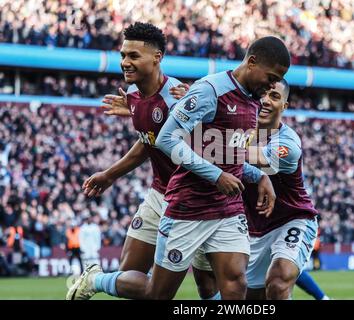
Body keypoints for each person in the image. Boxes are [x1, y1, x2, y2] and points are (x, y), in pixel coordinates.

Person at [68, 35, 289, 300]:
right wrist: (218, 176)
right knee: (156, 293)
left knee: (234, 286)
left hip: (226, 207)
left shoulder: (254, 100)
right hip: (186, 204)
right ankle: (97, 279)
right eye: (273, 76)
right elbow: (164, 139)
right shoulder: (209, 90)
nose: (274, 84)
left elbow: (226, 152)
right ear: (252, 62)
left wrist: (258, 176)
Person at [67, 22, 217, 300]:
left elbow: (213, 144)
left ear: (157, 58)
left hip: (196, 200)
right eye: (123, 55)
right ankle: (97, 279)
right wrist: (110, 174)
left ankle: (95, 279)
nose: (125, 62)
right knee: (128, 273)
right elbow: (148, 143)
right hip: (160, 194)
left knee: (207, 288)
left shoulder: (179, 98)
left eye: (133, 56)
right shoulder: (135, 98)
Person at [243, 79, 319, 300]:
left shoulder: (289, 144)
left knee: (278, 281)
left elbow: (252, 158)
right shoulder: (236, 132)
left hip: (292, 218)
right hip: (255, 229)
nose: (266, 101)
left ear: (284, 105)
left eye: (274, 97)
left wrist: (212, 148)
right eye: (262, 94)